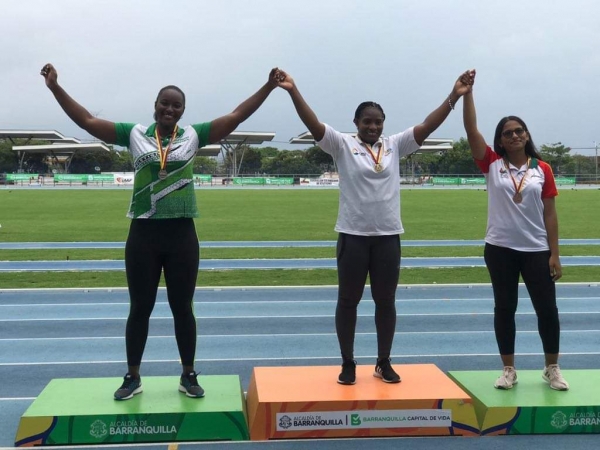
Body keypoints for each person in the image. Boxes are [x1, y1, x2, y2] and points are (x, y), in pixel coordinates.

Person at [41, 63, 280, 400]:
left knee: (183, 306)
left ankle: (188, 374)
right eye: (164, 103)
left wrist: (267, 87)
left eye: (176, 105)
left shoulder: (194, 135)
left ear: (183, 111)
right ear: (155, 105)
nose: (169, 109)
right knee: (140, 307)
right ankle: (133, 376)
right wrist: (55, 88)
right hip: (143, 234)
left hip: (182, 233)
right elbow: (88, 122)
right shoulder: (134, 133)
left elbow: (237, 115)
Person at [275, 69, 472, 385]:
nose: (373, 126)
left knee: (386, 302)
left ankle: (383, 361)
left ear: (383, 123)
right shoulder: (341, 145)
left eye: (378, 121)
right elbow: (313, 124)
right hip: (352, 237)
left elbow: (427, 125)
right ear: (356, 123)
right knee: (348, 301)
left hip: (387, 237)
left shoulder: (395, 145)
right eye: (367, 121)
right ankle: (348, 362)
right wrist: (292, 90)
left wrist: (454, 95)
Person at [462, 69, 569, 391]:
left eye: (519, 131)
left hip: (536, 250)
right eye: (508, 133)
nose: (514, 136)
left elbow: (550, 214)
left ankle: (552, 367)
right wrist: (467, 94)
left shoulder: (542, 169)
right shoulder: (491, 163)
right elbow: (470, 130)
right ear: (501, 140)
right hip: (500, 248)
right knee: (505, 308)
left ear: (526, 134)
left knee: (547, 309)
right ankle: (508, 369)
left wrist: (555, 254)